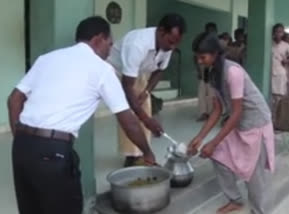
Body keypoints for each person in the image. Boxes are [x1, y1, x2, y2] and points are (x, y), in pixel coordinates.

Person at [7, 16, 156, 214]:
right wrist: (146, 151)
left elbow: (13, 100)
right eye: (109, 44)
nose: (110, 50)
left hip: (22, 147)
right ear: (98, 39)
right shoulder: (102, 69)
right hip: (53, 151)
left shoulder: (47, 59)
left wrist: (21, 136)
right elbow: (128, 120)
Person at [188, 32, 275, 214]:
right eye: (197, 57)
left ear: (215, 54)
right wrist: (200, 137)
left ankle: (259, 211)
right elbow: (218, 110)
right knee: (218, 155)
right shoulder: (212, 74)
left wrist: (212, 142)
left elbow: (236, 113)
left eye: (202, 57)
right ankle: (235, 200)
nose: (199, 61)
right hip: (240, 123)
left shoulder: (232, 72)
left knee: (254, 175)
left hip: (255, 123)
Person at [107, 13, 186, 167]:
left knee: (145, 107)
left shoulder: (168, 45)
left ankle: (143, 153)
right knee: (128, 111)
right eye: (170, 42)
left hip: (139, 71)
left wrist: (147, 91)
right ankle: (131, 157)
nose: (172, 47)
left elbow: (160, 70)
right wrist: (145, 119)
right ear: (161, 31)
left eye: (175, 44)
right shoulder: (137, 44)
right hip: (117, 71)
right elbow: (127, 85)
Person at [271, 23, 289, 120]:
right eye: (277, 31)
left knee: (279, 97)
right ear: (273, 32)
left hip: (280, 73)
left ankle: (278, 120)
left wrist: (287, 61)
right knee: (270, 97)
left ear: (283, 33)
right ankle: (270, 120)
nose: (278, 34)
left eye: (281, 32)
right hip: (269, 73)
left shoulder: (286, 45)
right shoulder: (269, 43)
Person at [195, 23, 219, 121]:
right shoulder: (201, 42)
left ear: (215, 31)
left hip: (213, 69)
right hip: (203, 68)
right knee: (201, 92)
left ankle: (211, 113)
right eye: (208, 30)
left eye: (212, 30)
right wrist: (198, 70)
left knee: (212, 93)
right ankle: (203, 113)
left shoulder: (217, 43)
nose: (210, 32)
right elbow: (195, 56)